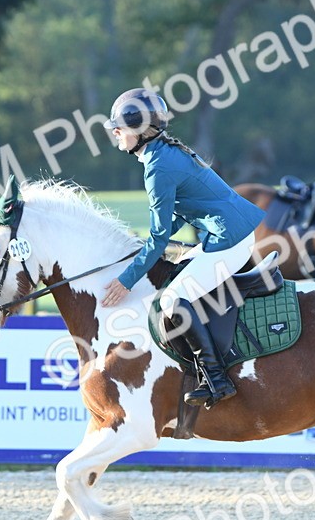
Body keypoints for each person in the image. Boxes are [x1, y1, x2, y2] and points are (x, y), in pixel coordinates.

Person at [99, 87, 265, 409]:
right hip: (226, 232)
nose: (115, 132)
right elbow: (177, 217)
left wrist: (125, 281)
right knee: (175, 276)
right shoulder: (162, 153)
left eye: (120, 127)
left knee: (173, 300)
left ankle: (216, 379)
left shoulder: (158, 167)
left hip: (229, 239)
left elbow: (161, 237)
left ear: (140, 132)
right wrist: (145, 245)